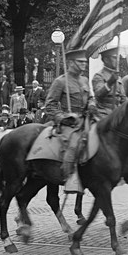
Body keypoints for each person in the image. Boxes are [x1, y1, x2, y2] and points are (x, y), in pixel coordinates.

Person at [45, 48, 96, 183]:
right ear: (71, 63)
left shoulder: (85, 80)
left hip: (85, 120)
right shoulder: (60, 81)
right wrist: (62, 118)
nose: (84, 64)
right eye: (80, 62)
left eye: (85, 62)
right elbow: (50, 105)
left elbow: (91, 97)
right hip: (69, 123)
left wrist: (91, 104)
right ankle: (69, 177)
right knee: (74, 144)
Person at [92, 47, 126, 120]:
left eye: (118, 58)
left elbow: (123, 98)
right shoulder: (99, 76)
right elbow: (98, 95)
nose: (117, 60)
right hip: (103, 113)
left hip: (117, 112)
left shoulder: (118, 77)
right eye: (114, 58)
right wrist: (110, 82)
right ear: (106, 60)